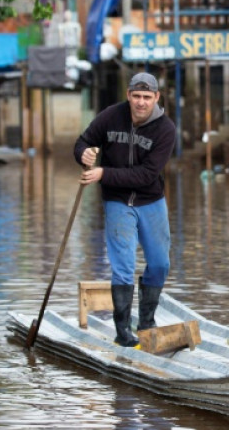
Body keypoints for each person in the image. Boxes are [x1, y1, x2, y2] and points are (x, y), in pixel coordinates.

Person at [74, 72, 176, 348]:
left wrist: (103, 173)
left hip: (151, 200)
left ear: (156, 98)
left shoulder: (166, 129)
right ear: (128, 95)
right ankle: (122, 331)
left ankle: (146, 321)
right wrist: (82, 153)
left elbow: (145, 175)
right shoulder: (111, 116)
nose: (141, 103)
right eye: (136, 96)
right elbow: (83, 141)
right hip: (117, 201)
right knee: (123, 267)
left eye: (147, 97)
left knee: (159, 264)